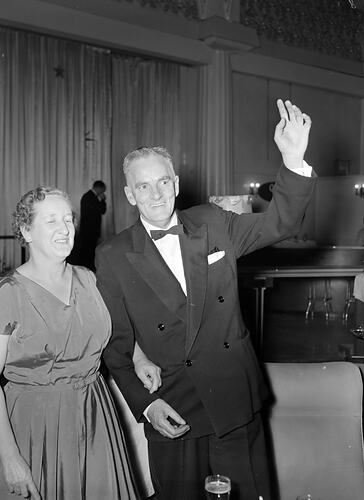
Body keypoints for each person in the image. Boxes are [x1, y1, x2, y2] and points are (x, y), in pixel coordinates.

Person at [95, 99, 316, 500]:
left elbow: (280, 222)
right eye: (143, 185)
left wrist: (293, 158)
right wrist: (145, 404)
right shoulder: (112, 255)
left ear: (176, 183)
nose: (156, 193)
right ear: (129, 194)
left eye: (163, 181)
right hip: (173, 404)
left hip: (233, 394)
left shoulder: (214, 222)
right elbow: (116, 341)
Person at [0, 186, 158, 499]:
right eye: (51, 221)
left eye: (68, 220)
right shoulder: (5, 295)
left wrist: (139, 358)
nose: (64, 229)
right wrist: (10, 457)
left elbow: (118, 329)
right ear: (26, 231)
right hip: (32, 426)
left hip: (95, 415)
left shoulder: (90, 279)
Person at [70, 180, 107, 270]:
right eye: (103, 190)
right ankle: (87, 269)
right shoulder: (88, 197)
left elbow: (103, 211)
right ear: (98, 188)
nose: (103, 192)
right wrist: (101, 200)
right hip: (88, 230)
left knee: (90, 251)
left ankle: (89, 268)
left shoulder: (94, 197)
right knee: (87, 251)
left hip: (92, 230)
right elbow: (95, 212)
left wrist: (102, 200)